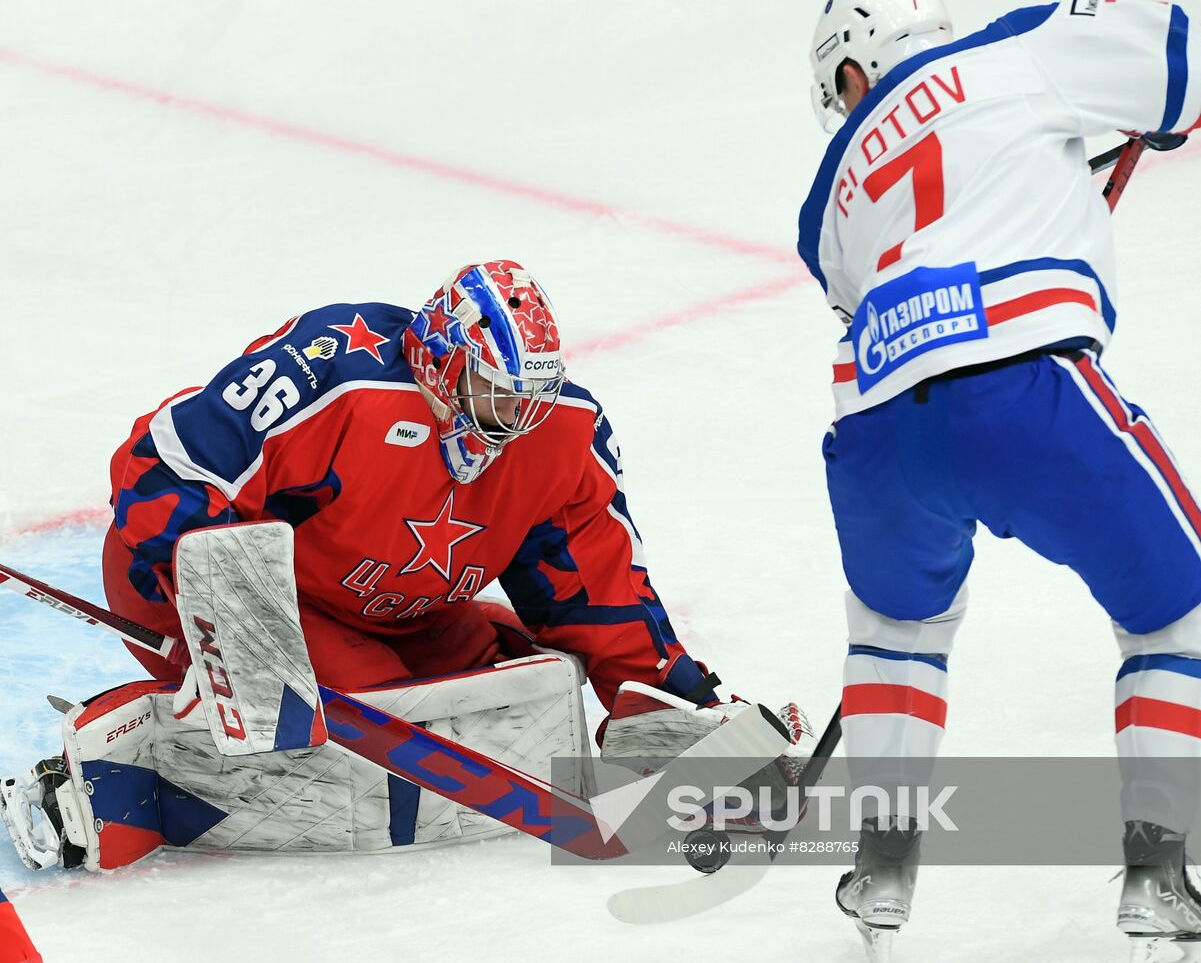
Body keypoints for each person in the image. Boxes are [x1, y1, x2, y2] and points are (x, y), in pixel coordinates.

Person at [2, 259, 811, 872]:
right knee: (352, 716)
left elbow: (593, 580)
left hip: (407, 606)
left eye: (530, 397)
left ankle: (289, 715)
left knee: (528, 680)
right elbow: (162, 465)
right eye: (496, 395)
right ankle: (123, 762)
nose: (514, 422)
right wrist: (238, 628)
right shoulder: (332, 369)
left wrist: (673, 702)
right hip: (221, 586)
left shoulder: (562, 433)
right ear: (440, 362)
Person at [801, 0, 1201, 961]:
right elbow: (1180, 69)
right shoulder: (1022, 47)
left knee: (899, 630)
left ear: (854, 71)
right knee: (1174, 612)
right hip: (1023, 391)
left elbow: (906, 250)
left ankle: (881, 870)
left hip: (879, 431)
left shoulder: (824, 203)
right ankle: (1159, 873)